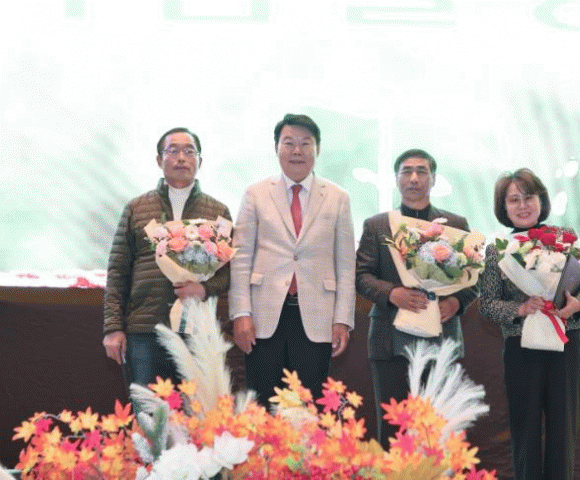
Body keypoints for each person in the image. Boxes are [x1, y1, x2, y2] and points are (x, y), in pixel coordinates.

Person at [229, 113, 355, 409]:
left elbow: (346, 265)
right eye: (289, 143)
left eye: (305, 143)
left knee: (309, 407)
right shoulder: (256, 194)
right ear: (277, 148)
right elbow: (241, 258)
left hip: (317, 316)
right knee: (262, 405)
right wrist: (241, 314)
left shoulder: (338, 197)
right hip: (262, 318)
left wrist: (342, 319)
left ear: (317, 149)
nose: (297, 151)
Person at [478, 168, 580, 480]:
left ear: (541, 200)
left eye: (528, 197)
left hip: (565, 344)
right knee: (525, 430)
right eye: (513, 200)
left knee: (563, 430)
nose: (522, 205)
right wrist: (520, 307)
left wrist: (576, 304)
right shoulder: (497, 249)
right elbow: (487, 304)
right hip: (521, 348)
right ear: (503, 208)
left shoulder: (564, 238)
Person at [355, 149, 478, 449]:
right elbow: (361, 275)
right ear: (396, 179)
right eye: (406, 171)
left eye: (421, 171)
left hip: (441, 337)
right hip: (389, 341)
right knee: (394, 430)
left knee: (438, 429)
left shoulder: (455, 224)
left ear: (433, 179)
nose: (413, 178)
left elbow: (475, 276)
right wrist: (391, 293)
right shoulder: (378, 225)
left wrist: (457, 302)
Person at [103, 127, 232, 388]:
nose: (181, 158)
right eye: (173, 151)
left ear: (200, 161)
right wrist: (113, 328)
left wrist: (204, 288)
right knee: (150, 408)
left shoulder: (218, 212)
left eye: (189, 151)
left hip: (197, 329)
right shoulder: (136, 208)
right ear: (159, 160)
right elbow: (118, 271)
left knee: (197, 408)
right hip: (144, 328)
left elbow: (230, 272)